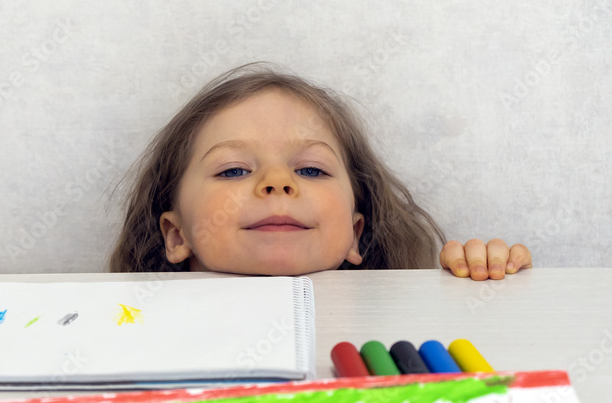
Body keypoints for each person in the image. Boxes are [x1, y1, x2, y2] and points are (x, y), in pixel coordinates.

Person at [109, 62, 532, 280]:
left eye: (311, 170)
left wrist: (479, 273)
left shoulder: (401, 317)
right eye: (234, 170)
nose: (277, 183)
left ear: (355, 232)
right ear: (176, 234)